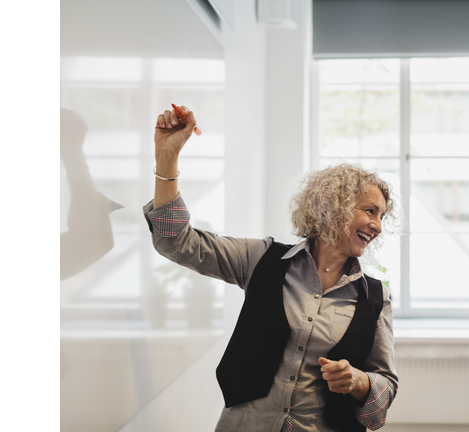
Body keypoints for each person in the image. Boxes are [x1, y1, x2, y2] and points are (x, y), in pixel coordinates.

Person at [143, 107, 398, 432]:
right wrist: (167, 158)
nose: (377, 225)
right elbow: (175, 242)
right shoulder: (261, 259)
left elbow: (386, 385)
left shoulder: (376, 297)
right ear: (335, 207)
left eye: (382, 217)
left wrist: (359, 381)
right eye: (370, 211)